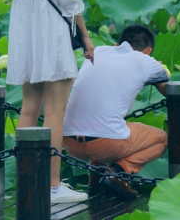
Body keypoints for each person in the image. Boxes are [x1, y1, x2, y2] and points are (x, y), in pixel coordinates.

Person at [4, 0, 95, 203]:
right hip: (49, 32)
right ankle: (53, 185)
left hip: (26, 30)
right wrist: (85, 37)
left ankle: (27, 180)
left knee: (29, 108)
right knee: (55, 110)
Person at [62, 25, 170, 199]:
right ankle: (118, 173)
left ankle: (95, 185)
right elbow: (168, 90)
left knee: (103, 121)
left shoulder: (99, 51)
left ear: (117, 44)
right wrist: (158, 68)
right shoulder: (146, 61)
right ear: (148, 50)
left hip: (67, 141)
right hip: (105, 143)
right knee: (163, 139)